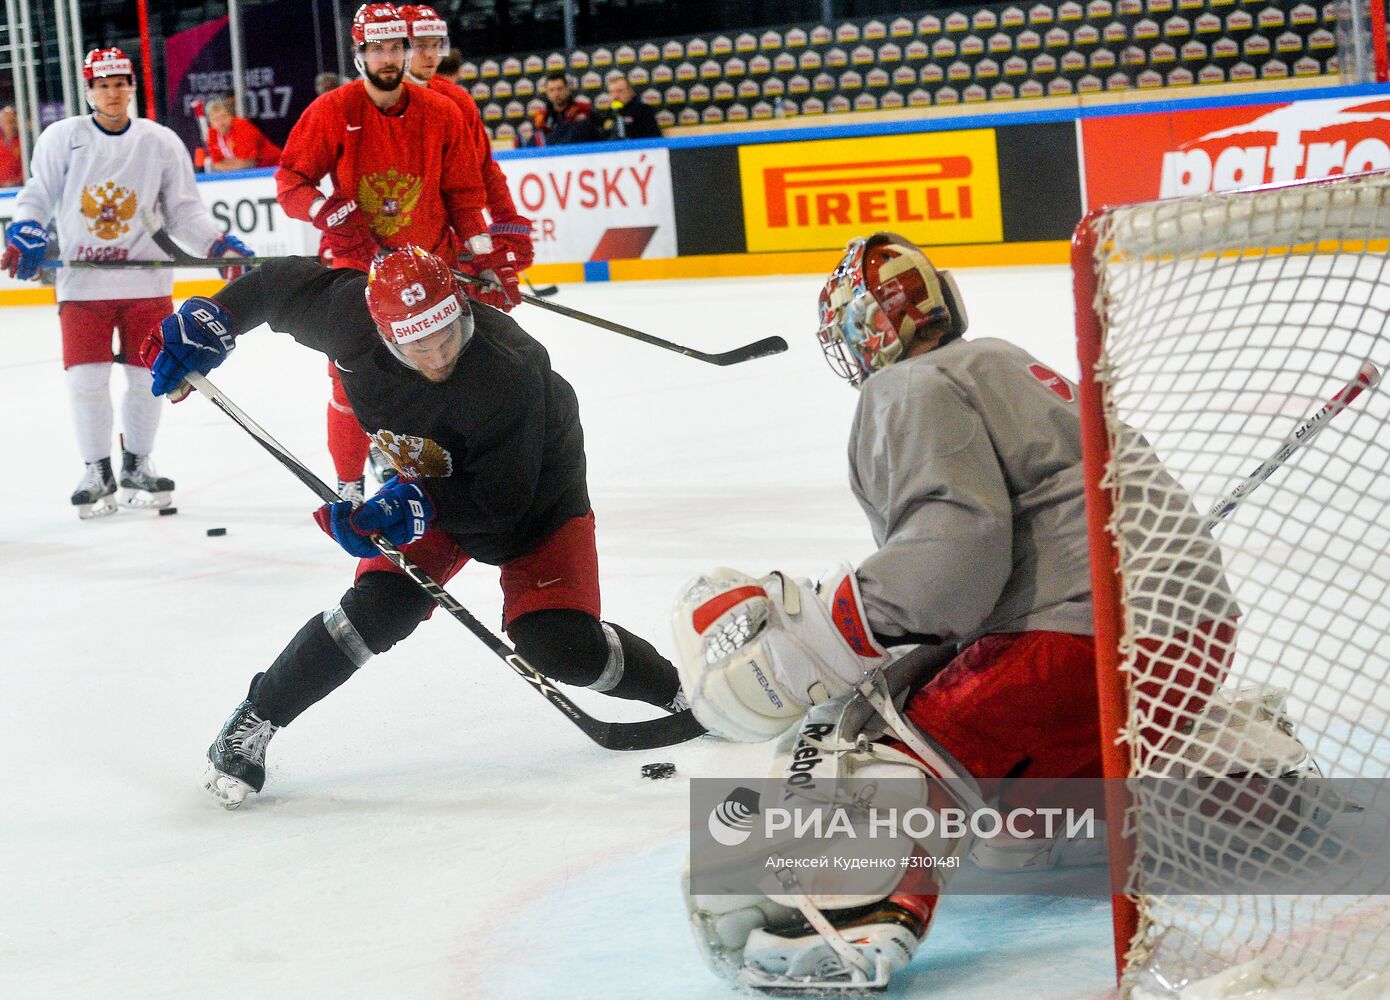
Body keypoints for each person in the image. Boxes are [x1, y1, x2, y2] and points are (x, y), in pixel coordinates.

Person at [670, 232, 1240, 988]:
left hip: (1083, 646)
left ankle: (852, 923)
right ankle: (1232, 773)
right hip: (1190, 636)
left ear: (868, 332)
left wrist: (827, 637)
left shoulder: (906, 387)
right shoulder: (998, 358)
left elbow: (954, 560)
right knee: (975, 773)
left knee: (882, 746)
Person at [141, 246, 697, 809]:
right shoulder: (348, 317)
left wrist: (406, 508)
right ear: (382, 334)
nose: (437, 358)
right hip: (430, 475)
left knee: (558, 647)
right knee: (376, 609)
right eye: (417, 346)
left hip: (535, 496)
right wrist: (215, 319)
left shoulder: (511, 370)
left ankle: (682, 691)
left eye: (448, 337)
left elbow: (501, 504)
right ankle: (253, 722)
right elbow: (278, 285)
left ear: (461, 308)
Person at [2, 47, 252, 519]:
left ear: (132, 85)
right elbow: (37, 193)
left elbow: (183, 211)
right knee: (87, 381)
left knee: (145, 380)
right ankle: (97, 470)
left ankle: (137, 464)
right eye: (103, 84)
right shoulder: (63, 137)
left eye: (121, 83)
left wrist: (216, 244)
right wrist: (27, 226)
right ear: (89, 89)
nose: (113, 92)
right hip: (82, 284)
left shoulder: (159, 141)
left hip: (147, 281)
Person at [275, 3, 507, 504]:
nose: (388, 58)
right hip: (359, 271)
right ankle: (349, 487)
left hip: (431, 270)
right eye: (376, 48)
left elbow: (466, 194)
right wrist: (326, 211)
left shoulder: (441, 113)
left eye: (395, 47)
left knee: (439, 373)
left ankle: (431, 475)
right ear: (359, 54)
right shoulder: (334, 110)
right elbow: (290, 182)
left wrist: (484, 257)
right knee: (348, 381)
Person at [203, 97, 282, 171]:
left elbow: (249, 163)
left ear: (231, 116)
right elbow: (216, 164)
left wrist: (225, 163)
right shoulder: (212, 134)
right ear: (210, 122)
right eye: (216, 119)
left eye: (224, 116)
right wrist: (233, 163)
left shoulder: (242, 126)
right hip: (250, 173)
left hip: (274, 167)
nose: (221, 122)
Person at [528, 72, 596, 146]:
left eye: (559, 89)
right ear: (547, 93)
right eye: (551, 90)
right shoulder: (541, 117)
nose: (556, 94)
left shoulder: (583, 109)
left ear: (567, 89)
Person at [597, 75, 661, 141]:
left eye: (619, 91)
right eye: (611, 92)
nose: (615, 96)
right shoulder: (609, 113)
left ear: (630, 92)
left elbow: (654, 138)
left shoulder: (643, 110)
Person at [0, 105, 23, 186]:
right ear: (2, 123)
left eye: (14, 121)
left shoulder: (24, 142)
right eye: (8, 122)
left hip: (18, 188)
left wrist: (17, 182)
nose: (11, 125)